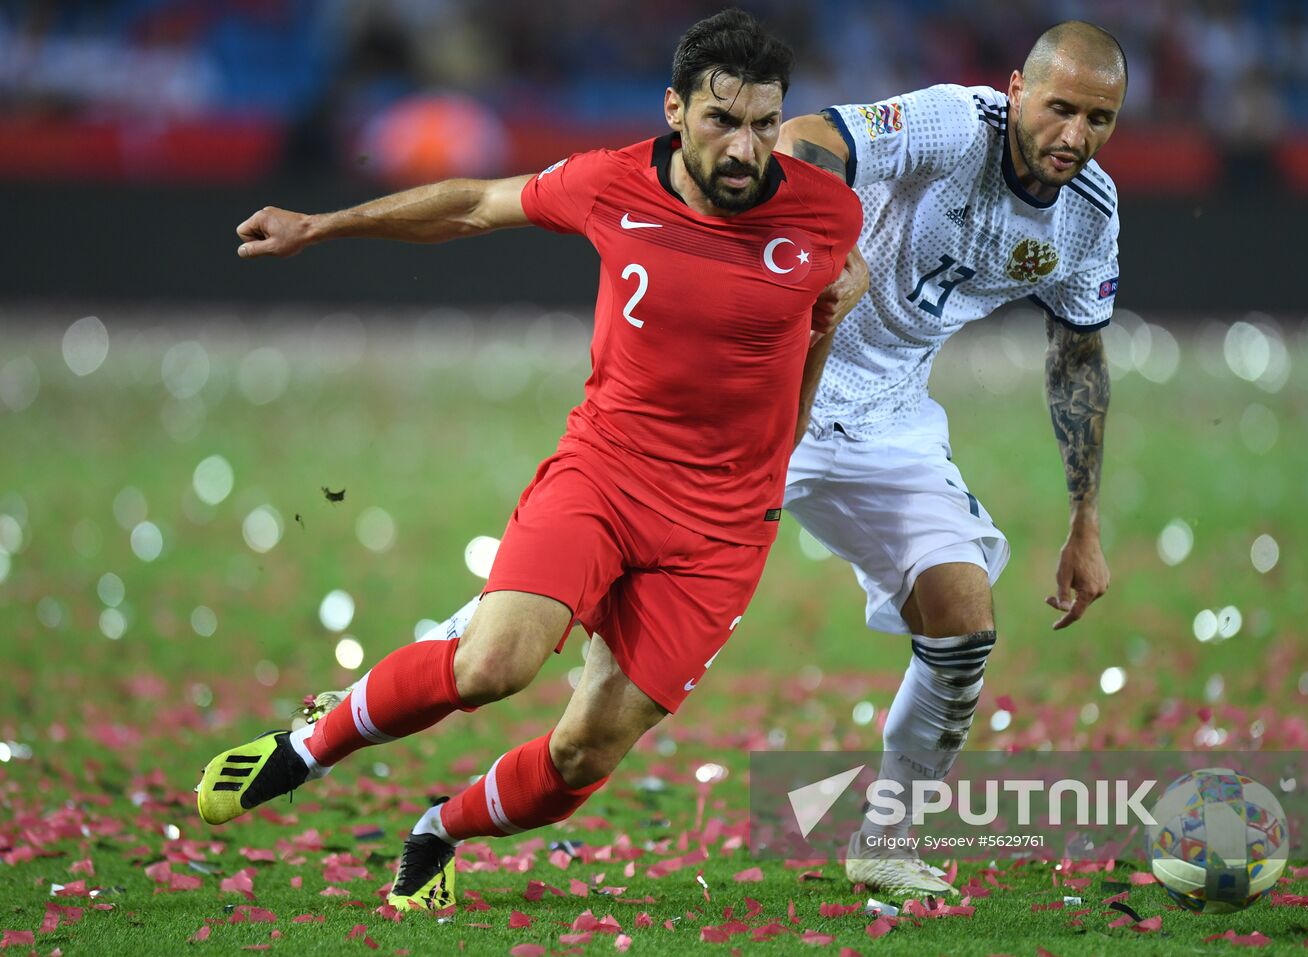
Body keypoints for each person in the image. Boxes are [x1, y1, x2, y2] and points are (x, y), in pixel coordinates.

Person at [195, 8, 864, 912]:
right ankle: (308, 744)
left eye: (762, 124)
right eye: (722, 120)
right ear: (675, 109)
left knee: (584, 754)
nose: (746, 147)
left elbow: (796, 395)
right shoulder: (610, 184)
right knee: (491, 667)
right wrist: (324, 224)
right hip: (607, 473)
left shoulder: (827, 214)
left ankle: (439, 829)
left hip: (725, 526)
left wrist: (830, 329)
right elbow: (472, 202)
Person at [775, 20, 1123, 895]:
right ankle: (469, 648)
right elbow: (805, 140)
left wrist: (1084, 522)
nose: (1075, 135)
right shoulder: (952, 123)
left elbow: (1077, 361)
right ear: (1016, 91)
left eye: (1100, 118)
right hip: (780, 386)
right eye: (1059, 108)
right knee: (624, 600)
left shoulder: (1090, 217)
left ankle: (886, 837)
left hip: (890, 415)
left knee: (963, 618)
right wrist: (828, 246)